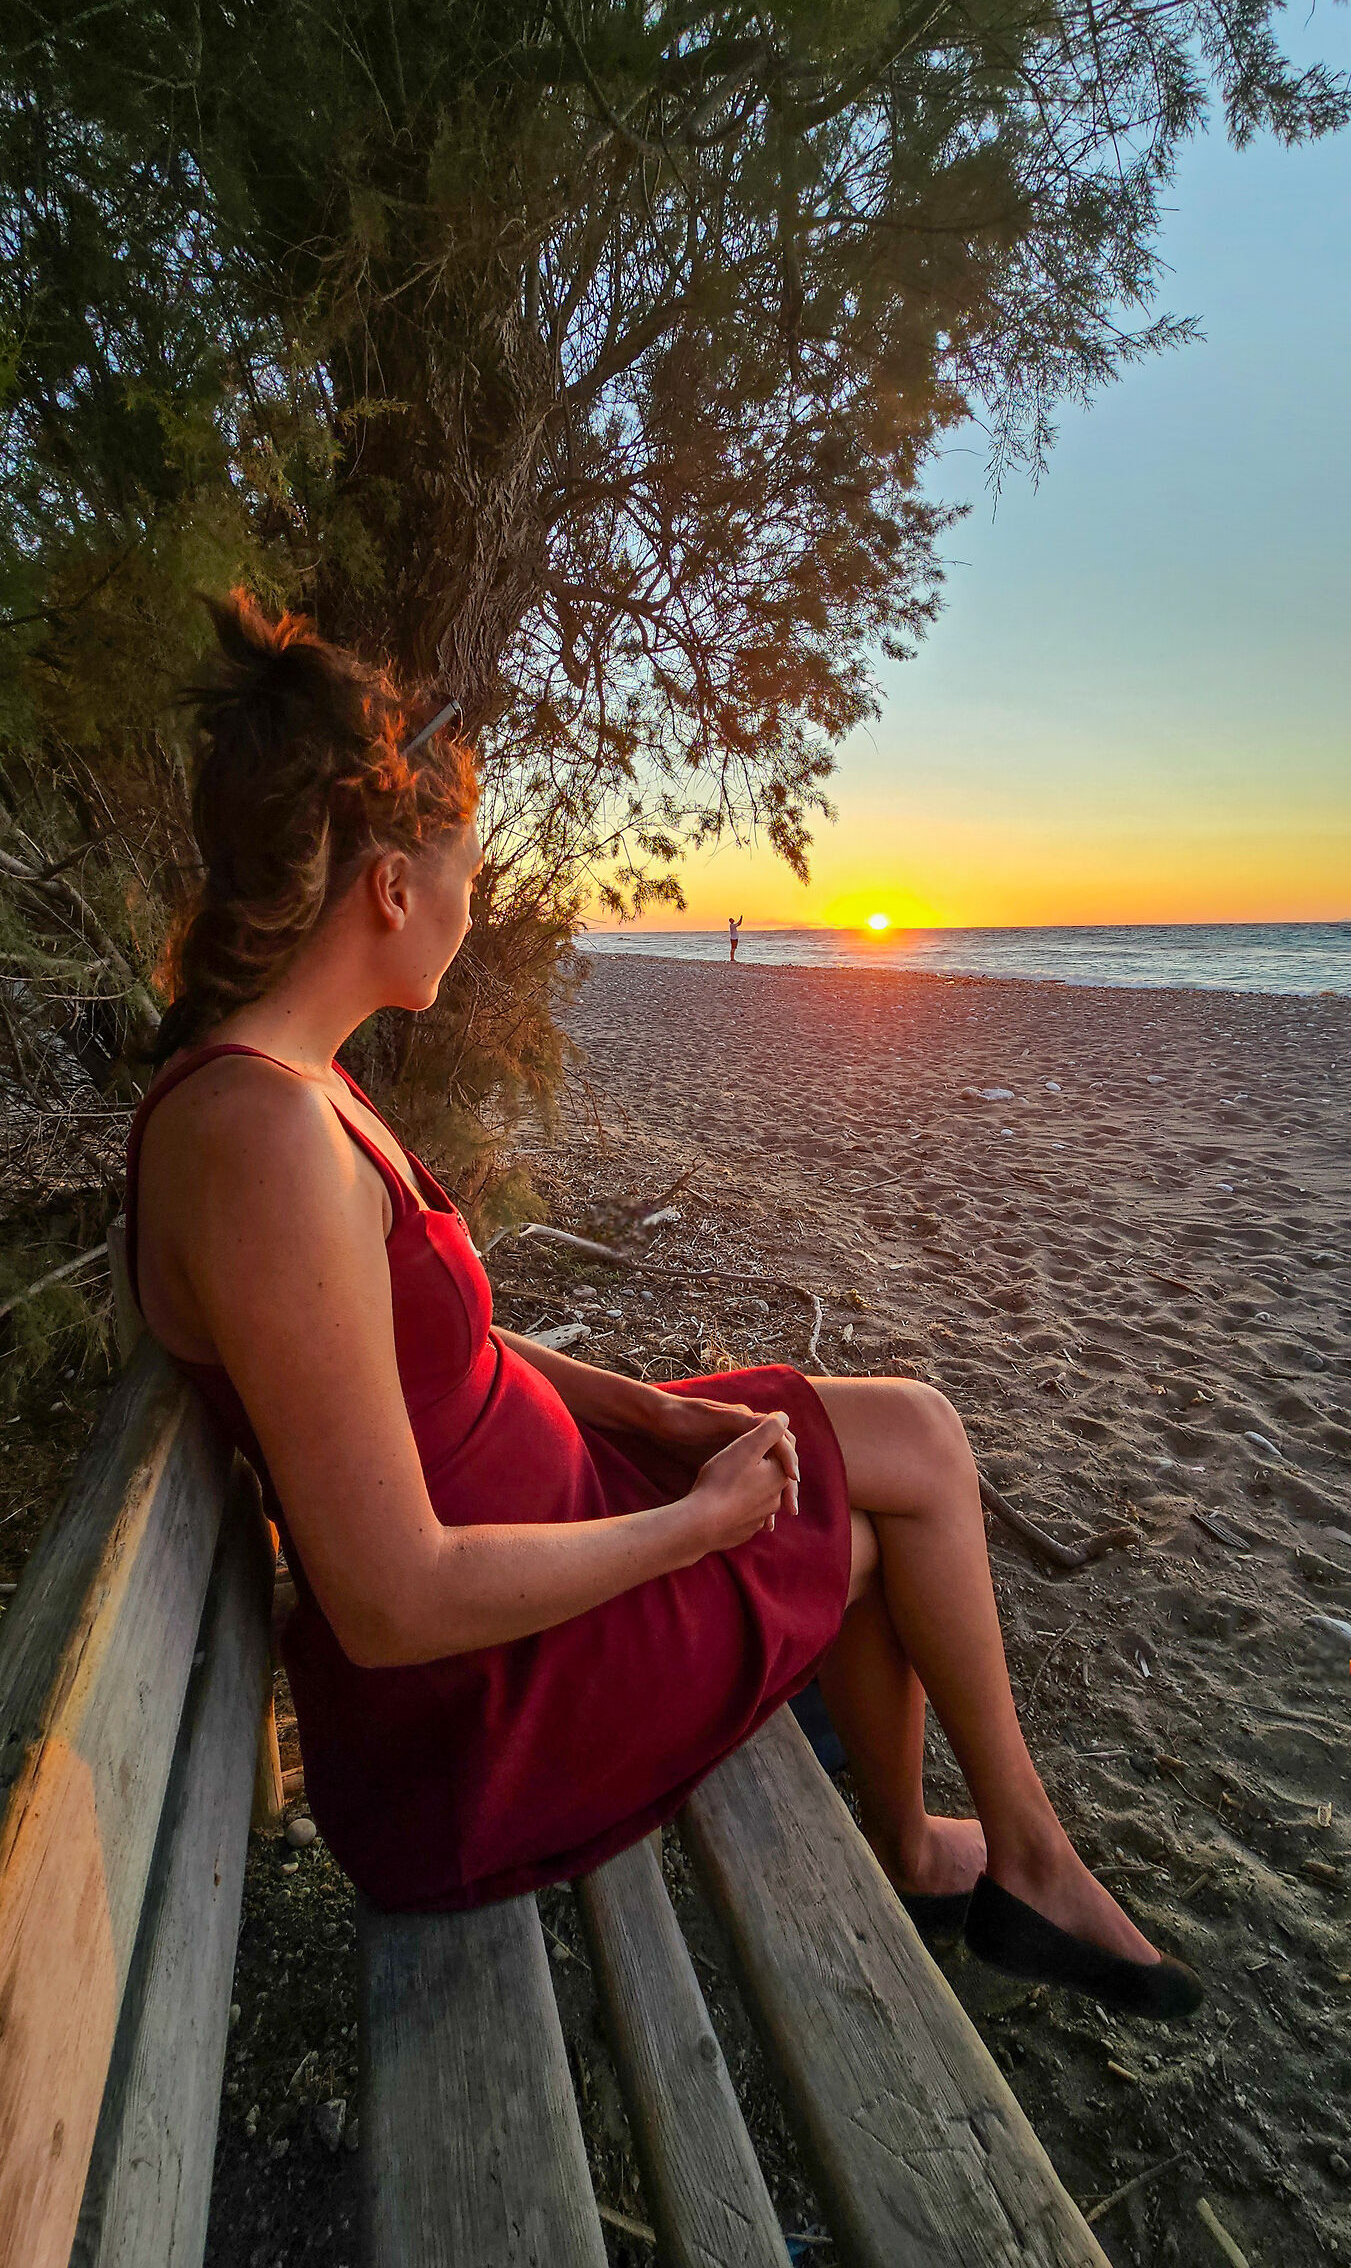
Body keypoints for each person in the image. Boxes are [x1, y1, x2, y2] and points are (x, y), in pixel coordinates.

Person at [126, 595, 1200, 2016]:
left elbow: (418, 1356)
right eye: (468, 870)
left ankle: (1007, 1856)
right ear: (390, 886)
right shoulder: (259, 1141)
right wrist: (690, 1526)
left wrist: (655, 1418)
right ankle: (973, 1859)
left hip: (551, 1530)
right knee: (872, 1534)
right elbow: (391, 1603)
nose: (476, 902)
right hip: (486, 1717)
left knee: (916, 1435)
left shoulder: (300, 1089)